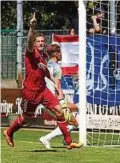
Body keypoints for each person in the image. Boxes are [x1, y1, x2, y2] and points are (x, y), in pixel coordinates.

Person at [3, 13, 83, 150]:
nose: (40, 43)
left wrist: (53, 80)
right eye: (38, 41)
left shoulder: (44, 56)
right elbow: (28, 41)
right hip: (30, 92)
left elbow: (45, 70)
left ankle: (69, 142)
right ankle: (9, 132)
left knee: (60, 111)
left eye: (42, 41)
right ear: (34, 43)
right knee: (27, 118)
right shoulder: (30, 52)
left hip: (43, 90)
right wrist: (31, 27)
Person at [39, 43, 79, 149]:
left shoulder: (47, 64)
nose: (61, 55)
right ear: (56, 53)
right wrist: (61, 101)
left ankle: (66, 140)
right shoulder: (57, 68)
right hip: (52, 100)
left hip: (44, 99)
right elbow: (57, 86)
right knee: (74, 122)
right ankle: (47, 138)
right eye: (60, 53)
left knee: (72, 115)